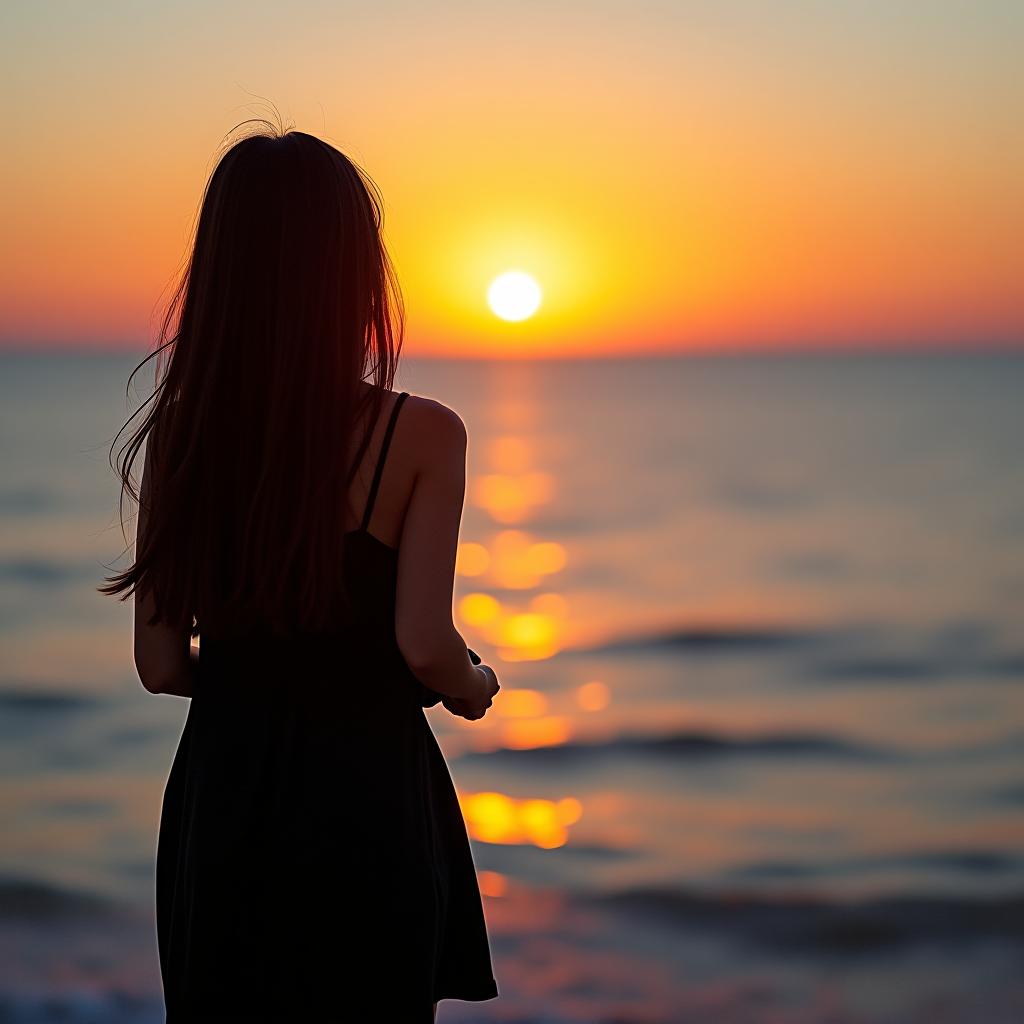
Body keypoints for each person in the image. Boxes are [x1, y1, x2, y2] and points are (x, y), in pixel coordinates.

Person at [98, 118, 502, 1022]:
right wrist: (474, 685)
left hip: (225, 796)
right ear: (356, 274)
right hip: (365, 794)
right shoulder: (422, 434)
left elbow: (161, 666)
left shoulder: (184, 439)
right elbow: (423, 644)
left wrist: (258, 687)